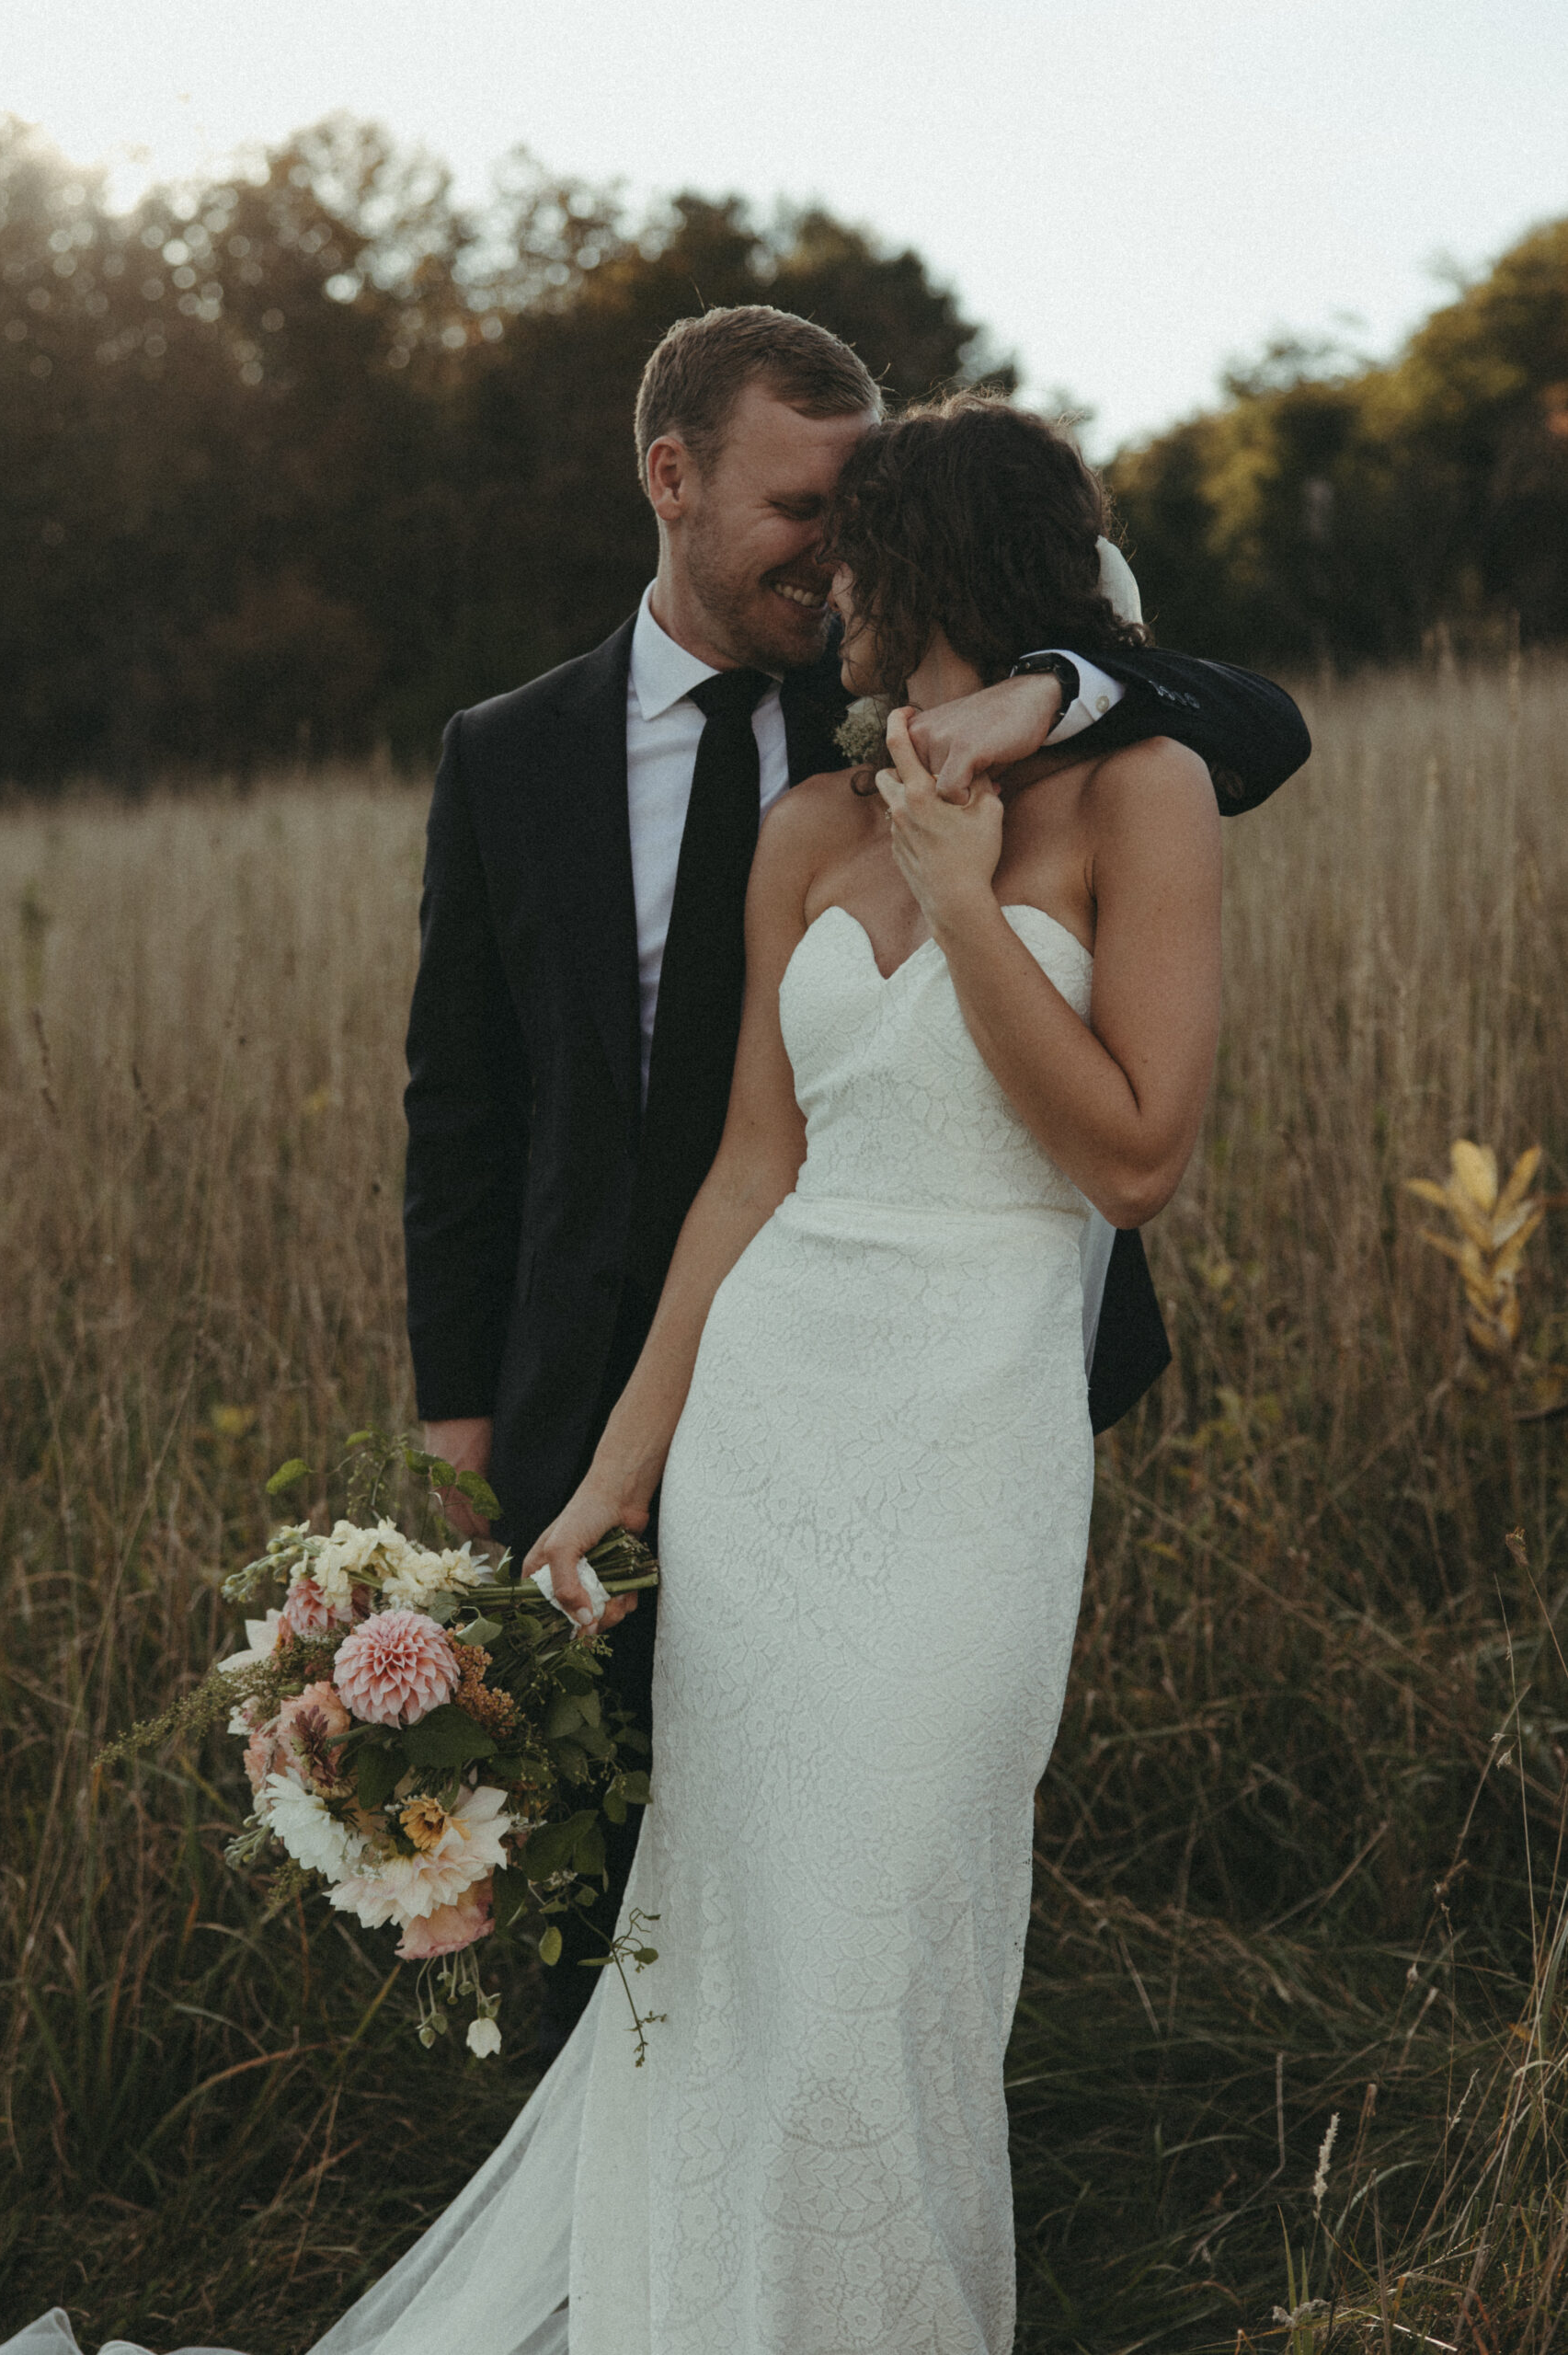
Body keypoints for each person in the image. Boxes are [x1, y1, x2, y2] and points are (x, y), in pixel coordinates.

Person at [6, 385, 1243, 2355]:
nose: (826, 591)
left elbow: (1135, 1157)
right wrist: (610, 1476)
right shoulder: (809, 823)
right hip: (768, 1428)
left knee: (896, 1915)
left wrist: (959, 895)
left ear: (929, 566)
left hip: (974, 1447)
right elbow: (751, 1171)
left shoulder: (1143, 791)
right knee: (736, 1923)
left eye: (855, 555)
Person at [402, 305, 1310, 2060]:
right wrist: (481, 1449)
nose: (830, 565)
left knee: (883, 1864)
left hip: (966, 1400)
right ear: (672, 479)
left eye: (861, 521)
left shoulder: (1022, 739)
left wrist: (1049, 692)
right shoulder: (516, 756)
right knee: (640, 1879)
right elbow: (471, 1123)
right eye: (799, 511)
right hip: (652, 1363)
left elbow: (1252, 725)